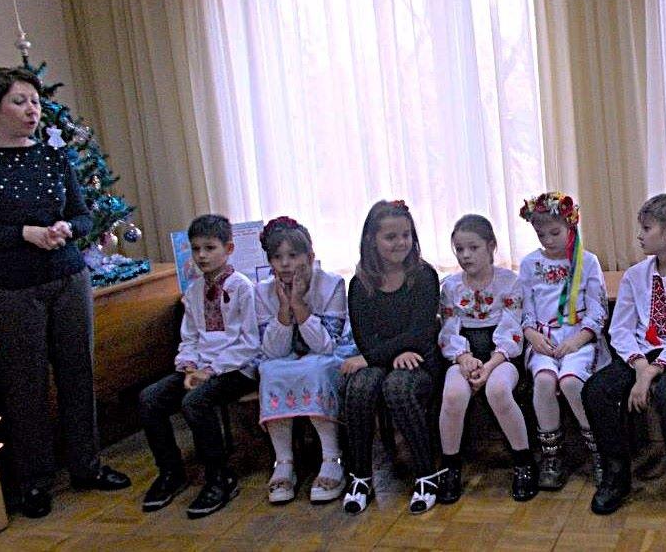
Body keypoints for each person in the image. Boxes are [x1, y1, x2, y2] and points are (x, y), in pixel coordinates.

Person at [0, 66, 130, 519]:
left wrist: (67, 228)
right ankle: (34, 481)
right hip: (11, 290)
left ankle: (87, 466)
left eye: (35, 101)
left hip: (68, 279)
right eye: (19, 101)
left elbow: (83, 216)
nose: (32, 110)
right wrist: (23, 233)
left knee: (77, 374)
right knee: (23, 384)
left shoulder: (52, 156)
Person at [584, 193, 666, 528]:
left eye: (646, 228)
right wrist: (640, 365)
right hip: (640, 354)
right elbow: (620, 328)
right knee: (596, 391)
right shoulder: (634, 276)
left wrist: (653, 372)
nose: (639, 235)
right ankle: (616, 475)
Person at [139, 214, 259, 518]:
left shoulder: (243, 287)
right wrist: (188, 366)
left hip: (237, 368)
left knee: (195, 403)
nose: (202, 255)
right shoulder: (193, 293)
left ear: (229, 249)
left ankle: (220, 477)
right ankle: (171, 471)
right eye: (196, 249)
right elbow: (190, 337)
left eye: (210, 248)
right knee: (150, 398)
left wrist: (210, 370)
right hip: (199, 369)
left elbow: (249, 343)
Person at [341, 200, 443, 515]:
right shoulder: (360, 283)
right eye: (391, 237)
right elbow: (364, 339)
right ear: (371, 239)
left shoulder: (424, 275)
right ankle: (360, 476)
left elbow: (421, 332)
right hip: (382, 360)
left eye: (406, 235)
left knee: (397, 387)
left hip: (420, 359)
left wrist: (375, 357)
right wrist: (385, 356)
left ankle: (426, 474)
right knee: (360, 386)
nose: (400, 242)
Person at [255, 216, 357, 505]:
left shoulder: (332, 284)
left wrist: (299, 305)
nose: (286, 264)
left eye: (293, 255)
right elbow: (273, 351)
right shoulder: (262, 291)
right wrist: (283, 309)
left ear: (310, 256)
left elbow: (326, 346)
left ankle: (332, 458)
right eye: (278, 257)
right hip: (287, 357)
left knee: (316, 367)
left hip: (330, 355)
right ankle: (283, 462)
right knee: (270, 370)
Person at [436, 214, 537, 504]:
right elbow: (449, 327)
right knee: (453, 394)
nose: (465, 255)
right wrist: (463, 358)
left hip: (501, 356)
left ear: (491, 246)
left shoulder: (509, 282)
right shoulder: (451, 287)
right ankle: (450, 466)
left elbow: (512, 326)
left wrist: (491, 365)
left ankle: (523, 461)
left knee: (498, 390)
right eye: (459, 249)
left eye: (473, 247)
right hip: (465, 355)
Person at [518, 191, 609, 490]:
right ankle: (552, 456)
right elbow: (525, 309)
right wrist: (531, 334)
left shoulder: (587, 261)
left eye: (554, 232)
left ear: (571, 226)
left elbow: (598, 309)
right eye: (541, 234)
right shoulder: (530, 264)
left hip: (578, 338)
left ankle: (600, 452)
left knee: (570, 381)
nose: (548, 240)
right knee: (544, 380)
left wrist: (579, 339)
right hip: (543, 338)